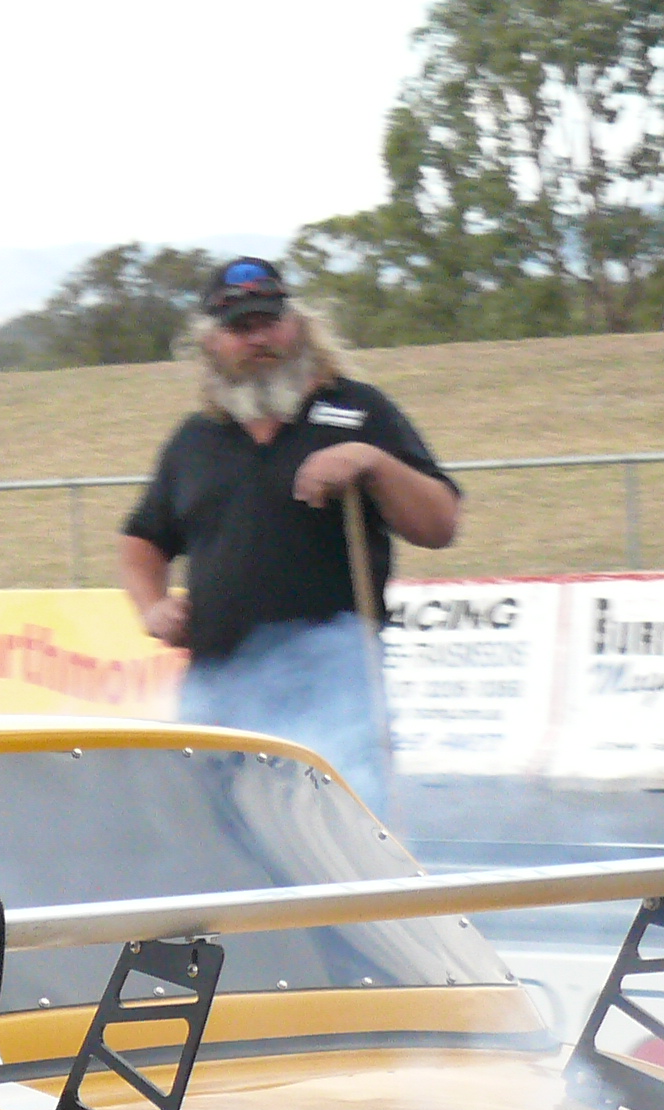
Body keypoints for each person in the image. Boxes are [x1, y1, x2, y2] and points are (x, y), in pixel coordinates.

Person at [118, 259, 459, 801]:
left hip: (335, 683)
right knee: (216, 841)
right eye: (239, 328)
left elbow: (441, 523)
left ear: (297, 325)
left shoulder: (359, 411)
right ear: (210, 343)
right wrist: (152, 606)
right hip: (218, 687)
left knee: (342, 838)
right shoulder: (196, 439)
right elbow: (141, 540)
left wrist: (371, 460)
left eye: (270, 321)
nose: (258, 338)